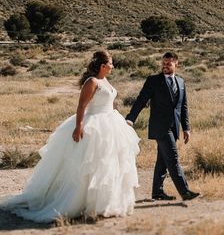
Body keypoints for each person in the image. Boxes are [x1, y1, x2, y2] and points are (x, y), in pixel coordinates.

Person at [1, 51, 140, 223]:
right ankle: (78, 202)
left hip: (110, 122)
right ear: (103, 66)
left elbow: (110, 101)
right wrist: (78, 127)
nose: (113, 66)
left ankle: (105, 204)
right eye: (110, 63)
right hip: (94, 124)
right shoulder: (92, 81)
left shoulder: (105, 81)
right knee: (88, 164)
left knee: (108, 163)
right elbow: (82, 105)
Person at [126, 51, 199, 201]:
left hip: (174, 127)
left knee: (163, 160)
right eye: (163, 63)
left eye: (169, 63)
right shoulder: (153, 80)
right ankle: (184, 191)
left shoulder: (181, 82)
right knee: (172, 158)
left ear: (176, 64)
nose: (165, 66)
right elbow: (141, 100)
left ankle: (157, 192)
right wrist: (130, 119)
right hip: (160, 127)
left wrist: (186, 128)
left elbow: (183, 107)